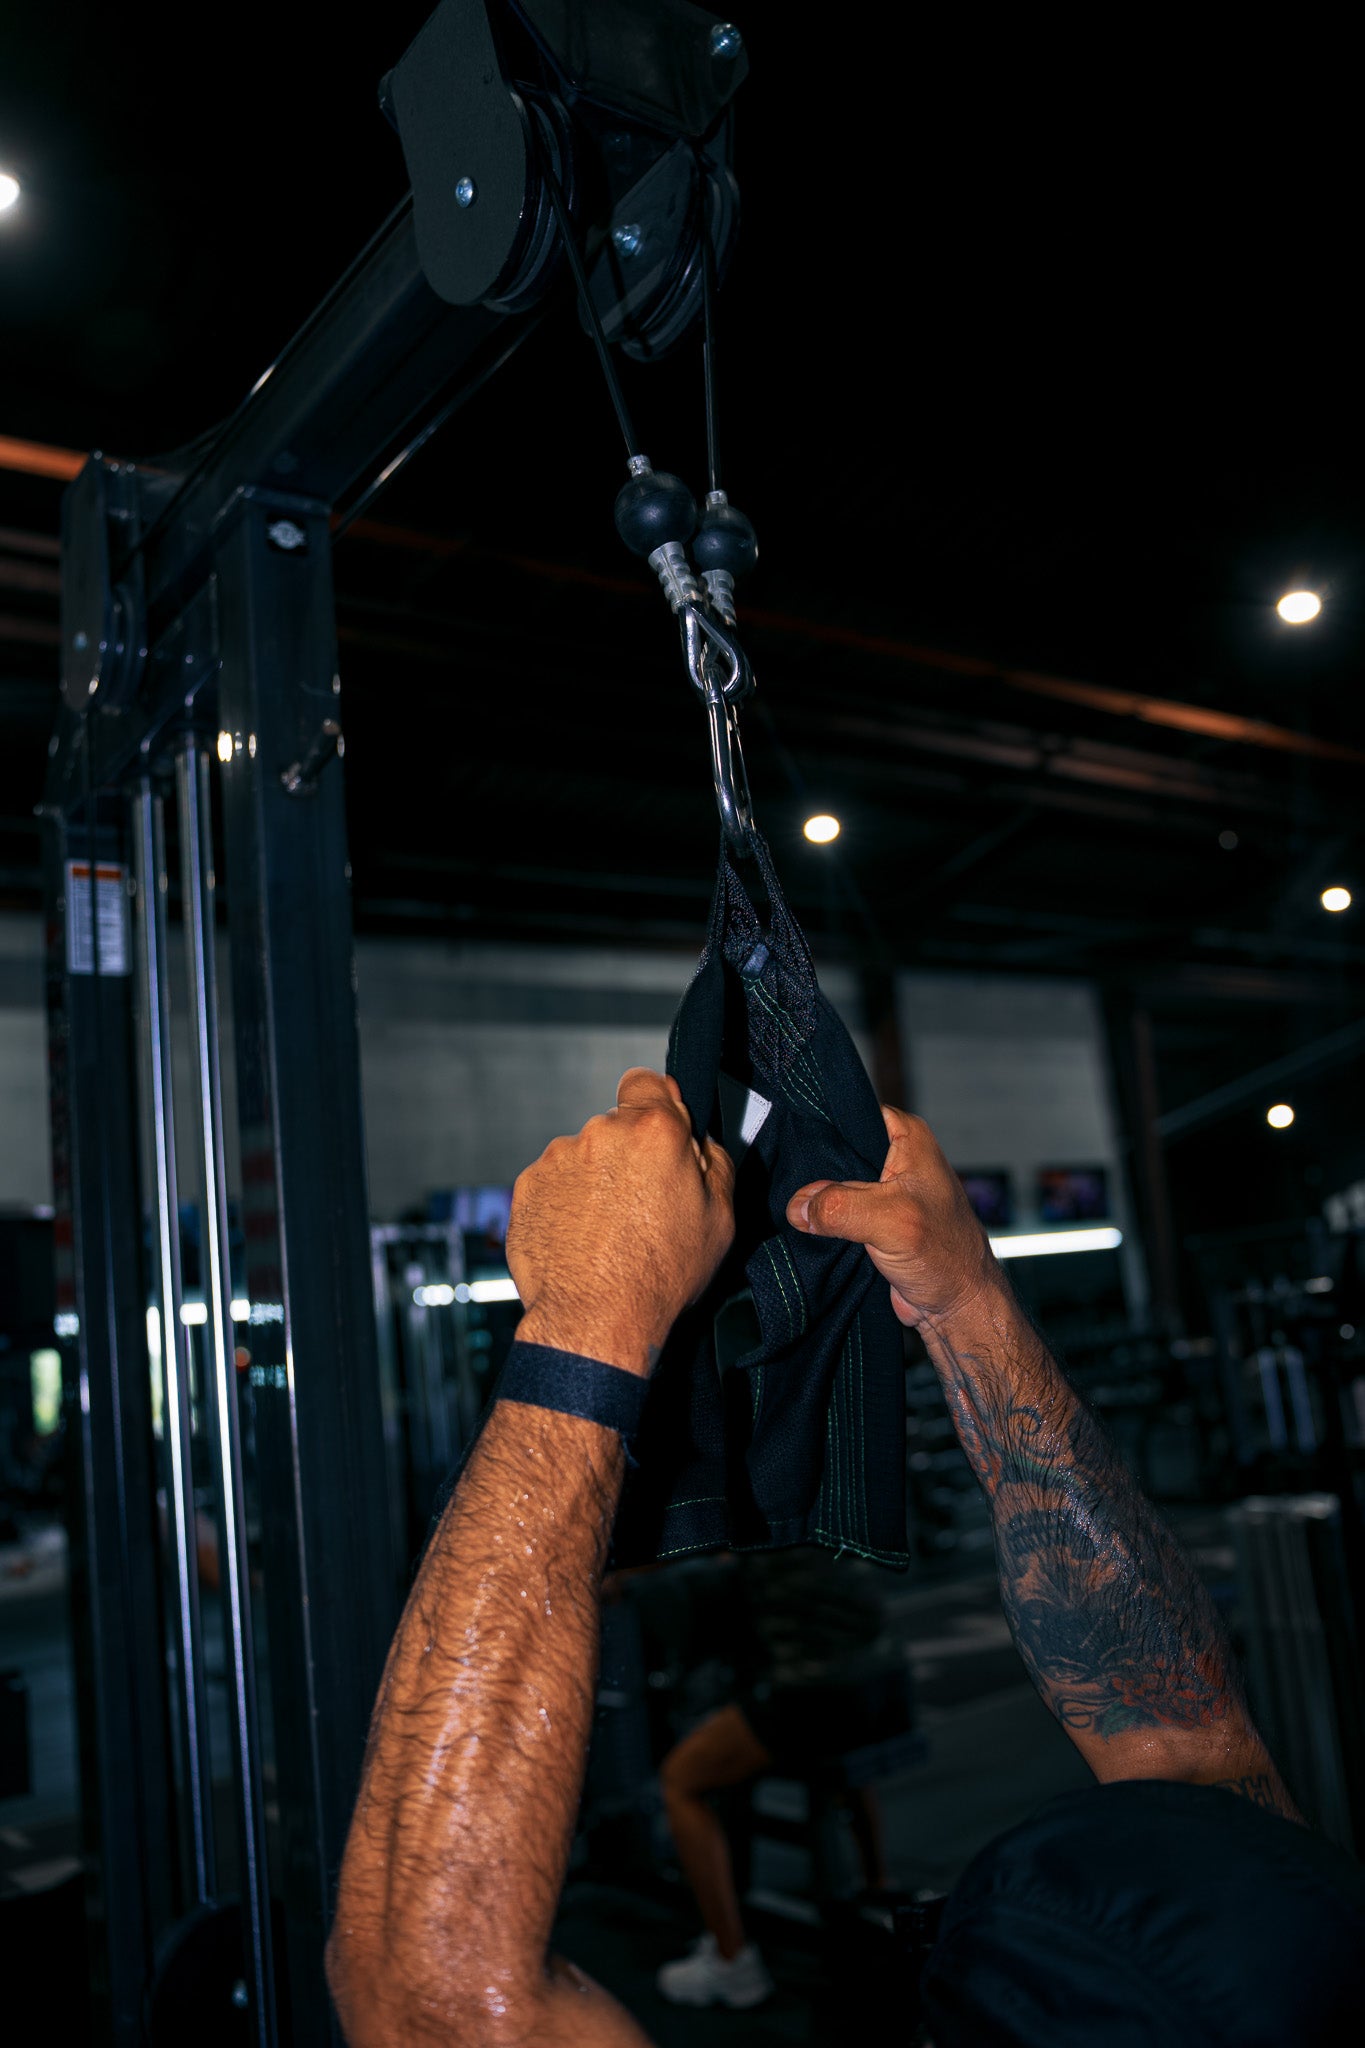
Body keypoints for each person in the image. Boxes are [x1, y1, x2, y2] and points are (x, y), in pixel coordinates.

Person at [326, 1070, 1363, 2046]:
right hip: (859, 1682)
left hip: (829, 1682)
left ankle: (734, 1958)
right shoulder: (1282, 1974)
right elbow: (1183, 1746)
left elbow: (428, 1998)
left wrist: (588, 1317)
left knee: (688, 1781)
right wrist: (967, 1301)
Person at [654, 1542, 912, 2009]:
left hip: (818, 1697)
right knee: (836, 1729)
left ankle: (733, 1964)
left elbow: (687, 1545)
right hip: (890, 1681)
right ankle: (876, 1884)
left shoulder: (759, 1503)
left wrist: (618, 1574)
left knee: (681, 1781)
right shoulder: (827, 1500)